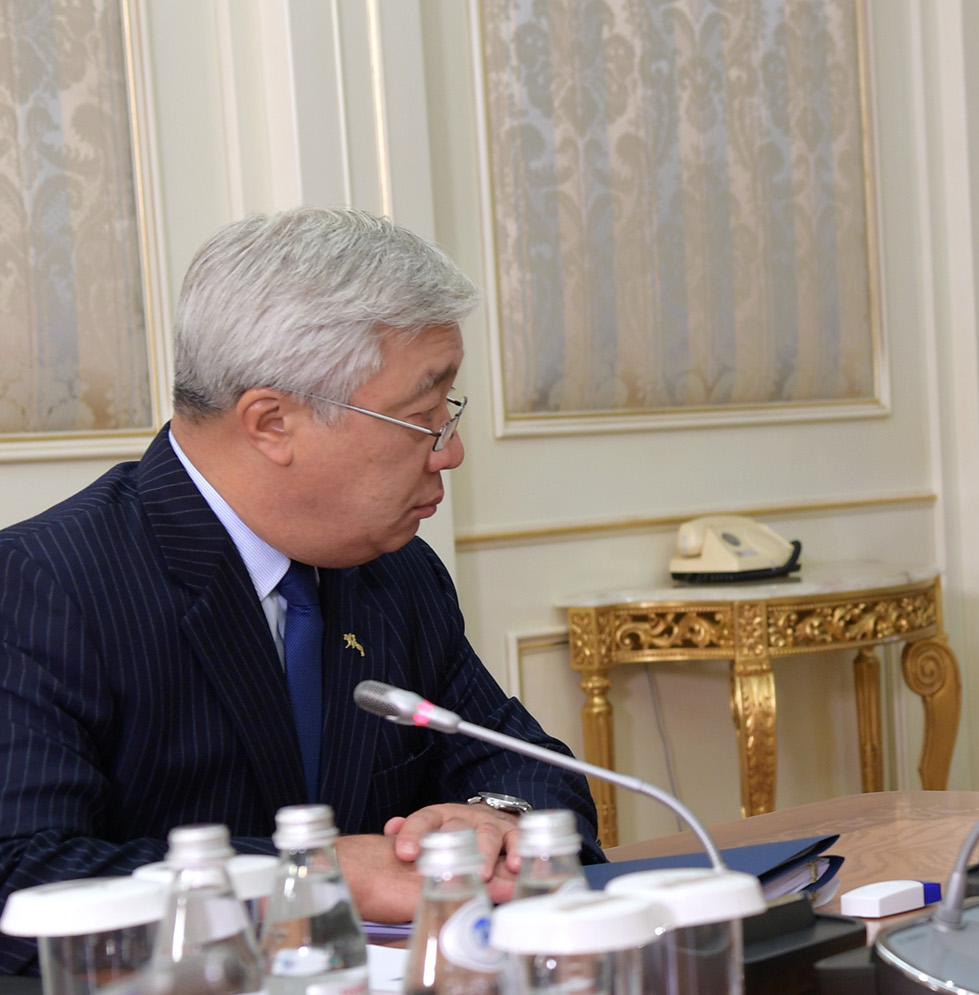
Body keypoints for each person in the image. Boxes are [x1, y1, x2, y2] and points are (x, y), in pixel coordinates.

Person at [0, 208, 601, 974]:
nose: (448, 452)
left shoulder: (396, 572)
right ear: (272, 422)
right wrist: (313, 876)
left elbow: (531, 769)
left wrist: (490, 821)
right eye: (423, 417)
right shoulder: (43, 585)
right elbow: (21, 880)